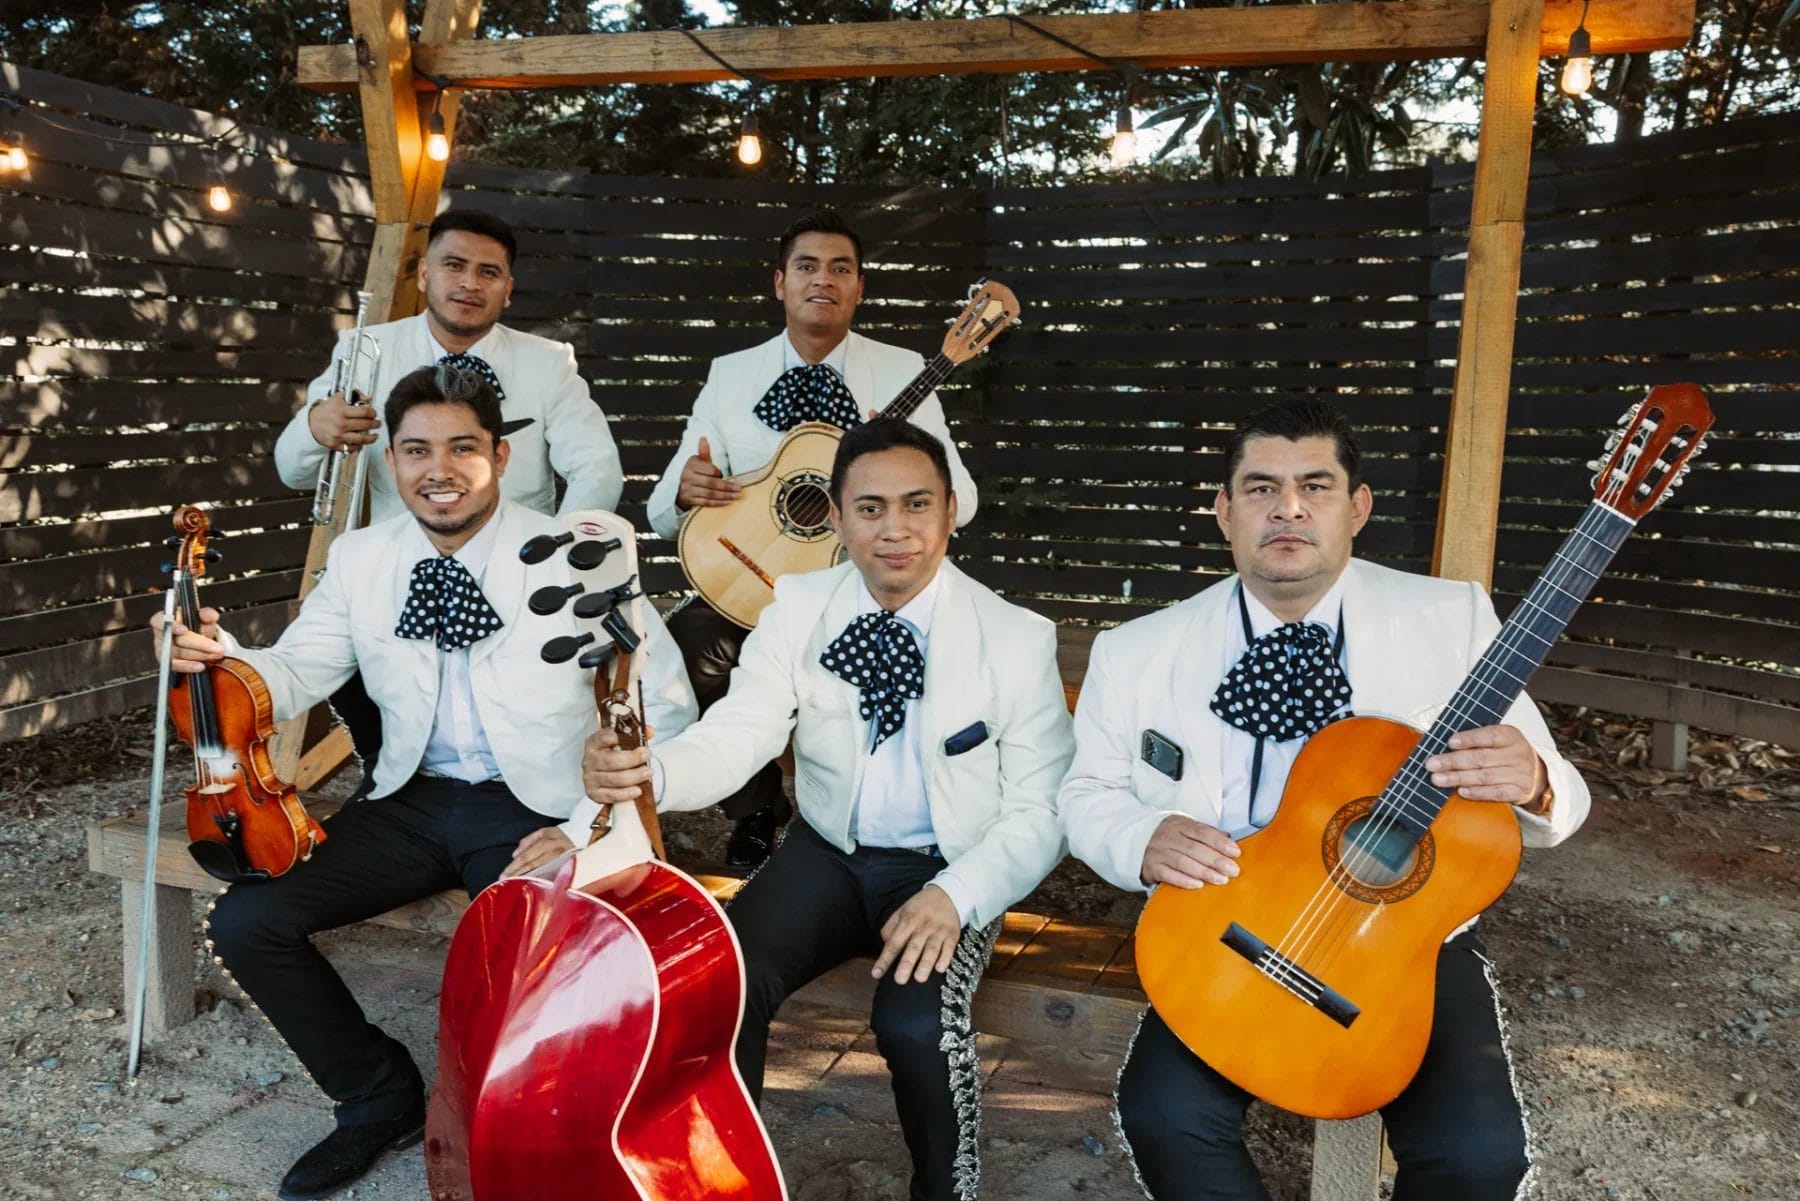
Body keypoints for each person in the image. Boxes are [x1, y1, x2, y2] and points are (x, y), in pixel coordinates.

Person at [157, 364, 695, 1201]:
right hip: (411, 798)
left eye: (460, 448)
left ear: (502, 456)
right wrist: (212, 656)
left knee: (533, 952)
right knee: (249, 918)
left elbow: (666, 706)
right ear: (391, 463)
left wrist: (590, 819)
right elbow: (294, 673)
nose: (436, 468)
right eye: (414, 450)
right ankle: (378, 1098)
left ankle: (534, 1131)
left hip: (541, 802)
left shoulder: (575, 552)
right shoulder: (364, 556)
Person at [1057, 399, 1591, 1201]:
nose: (1290, 508)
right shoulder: (1135, 651)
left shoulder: (1449, 620)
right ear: (1224, 511)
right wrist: (1140, 834)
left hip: (1399, 941)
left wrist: (1537, 779)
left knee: (1479, 1155)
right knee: (1163, 1114)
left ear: (1358, 507)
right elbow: (1087, 791)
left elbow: (1563, 790)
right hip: (1229, 926)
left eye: (1316, 485)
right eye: (1262, 488)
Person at [587, 419, 1069, 1201]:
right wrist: (652, 771)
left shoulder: (1014, 637)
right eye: (870, 508)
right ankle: (725, 1181)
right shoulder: (801, 605)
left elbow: (1043, 804)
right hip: (826, 851)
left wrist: (959, 893)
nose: (896, 529)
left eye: (917, 505)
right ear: (837, 519)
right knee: (720, 983)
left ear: (950, 510)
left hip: (949, 867)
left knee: (915, 1028)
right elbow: (742, 730)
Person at [644, 209, 980, 868]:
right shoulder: (731, 374)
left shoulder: (905, 369)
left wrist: (905, 458)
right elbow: (663, 507)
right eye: (806, 266)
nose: (822, 280)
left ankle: (850, 828)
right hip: (750, 586)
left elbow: (960, 500)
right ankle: (757, 806)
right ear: (779, 282)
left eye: (840, 268)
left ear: (859, 288)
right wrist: (689, 488)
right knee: (684, 651)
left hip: (856, 592)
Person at [274, 208, 625, 795]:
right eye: (454, 265)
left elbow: (596, 467)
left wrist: (557, 560)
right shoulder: (364, 351)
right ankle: (389, 768)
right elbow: (292, 471)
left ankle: (516, 783)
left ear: (507, 290)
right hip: (399, 564)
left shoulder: (548, 363)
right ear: (424, 274)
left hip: (515, 566)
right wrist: (316, 425)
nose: (469, 283)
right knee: (338, 632)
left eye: (489, 273)